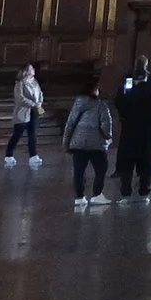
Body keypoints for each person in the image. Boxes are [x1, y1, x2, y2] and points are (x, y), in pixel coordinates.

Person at [114, 65, 151, 202]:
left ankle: (125, 192)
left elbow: (120, 108)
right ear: (147, 77)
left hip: (130, 134)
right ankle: (144, 192)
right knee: (146, 165)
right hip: (149, 135)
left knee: (127, 165)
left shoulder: (129, 94)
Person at [62, 77, 115, 209]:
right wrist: (108, 138)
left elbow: (70, 124)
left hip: (78, 143)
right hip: (96, 144)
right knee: (101, 169)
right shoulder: (101, 105)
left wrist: (66, 143)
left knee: (79, 171)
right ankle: (97, 194)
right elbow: (105, 125)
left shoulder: (77, 104)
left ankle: (79, 197)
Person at [5, 63, 45, 169]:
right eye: (31, 68)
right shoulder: (20, 83)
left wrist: (40, 102)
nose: (33, 70)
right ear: (25, 71)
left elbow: (40, 93)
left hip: (34, 111)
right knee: (17, 134)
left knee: (33, 134)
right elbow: (20, 98)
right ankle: (9, 154)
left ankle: (33, 155)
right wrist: (33, 104)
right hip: (23, 112)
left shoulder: (34, 82)